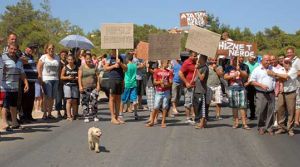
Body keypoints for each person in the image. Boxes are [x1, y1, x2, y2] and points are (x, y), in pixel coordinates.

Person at [1, 43, 29, 131]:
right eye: (11, 49)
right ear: (8, 49)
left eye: (15, 49)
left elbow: (22, 73)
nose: (13, 51)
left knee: (13, 105)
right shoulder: (3, 58)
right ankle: (4, 123)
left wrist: (26, 83)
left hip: (15, 86)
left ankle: (14, 123)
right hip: (4, 86)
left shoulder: (19, 60)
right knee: (5, 105)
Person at [267, 57, 298, 136]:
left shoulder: (293, 70)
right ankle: (281, 128)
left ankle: (290, 129)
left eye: (288, 62)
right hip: (281, 92)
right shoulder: (281, 70)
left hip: (291, 92)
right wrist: (278, 76)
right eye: (285, 62)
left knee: (291, 111)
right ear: (283, 63)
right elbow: (272, 73)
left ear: (291, 63)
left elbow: (285, 77)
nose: (287, 64)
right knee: (280, 110)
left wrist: (276, 75)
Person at [249, 55, 275, 135]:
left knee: (270, 111)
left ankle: (269, 127)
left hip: (271, 93)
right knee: (261, 110)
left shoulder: (273, 69)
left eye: (269, 60)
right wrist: (261, 85)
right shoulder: (257, 69)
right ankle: (261, 126)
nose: (268, 62)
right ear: (262, 61)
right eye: (266, 60)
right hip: (261, 93)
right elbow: (251, 81)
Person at [224, 56, 250, 130]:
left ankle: (244, 124)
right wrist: (233, 75)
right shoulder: (228, 67)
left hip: (242, 88)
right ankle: (236, 122)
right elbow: (225, 77)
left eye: (240, 58)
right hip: (232, 88)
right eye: (236, 59)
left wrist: (240, 71)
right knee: (234, 106)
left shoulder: (245, 66)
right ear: (233, 60)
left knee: (242, 106)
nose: (239, 60)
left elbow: (246, 75)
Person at [146, 60, 173, 128]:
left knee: (164, 107)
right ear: (163, 63)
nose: (168, 64)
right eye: (167, 63)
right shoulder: (157, 71)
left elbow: (170, 83)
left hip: (166, 92)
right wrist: (160, 82)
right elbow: (154, 82)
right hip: (158, 91)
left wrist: (166, 84)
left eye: (168, 63)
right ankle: (152, 121)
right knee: (156, 107)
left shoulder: (169, 72)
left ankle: (163, 122)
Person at [37, 43, 60, 120]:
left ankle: (50, 113)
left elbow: (59, 68)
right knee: (46, 97)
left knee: (52, 97)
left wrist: (59, 78)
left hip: (55, 79)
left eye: (52, 48)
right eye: (49, 48)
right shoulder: (43, 57)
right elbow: (39, 67)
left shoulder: (57, 57)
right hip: (46, 79)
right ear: (46, 49)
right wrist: (40, 77)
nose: (51, 50)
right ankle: (44, 114)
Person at [104, 50, 125, 125]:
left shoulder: (121, 58)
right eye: (113, 50)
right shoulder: (109, 58)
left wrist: (120, 63)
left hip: (120, 79)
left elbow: (126, 69)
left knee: (118, 98)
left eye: (116, 50)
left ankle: (117, 117)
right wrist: (113, 66)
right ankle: (112, 117)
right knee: (112, 98)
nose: (115, 51)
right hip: (112, 79)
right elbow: (105, 68)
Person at [78, 53, 100, 123]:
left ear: (91, 59)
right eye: (87, 59)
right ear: (84, 59)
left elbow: (97, 77)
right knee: (85, 102)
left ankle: (95, 115)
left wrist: (98, 85)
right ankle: (86, 116)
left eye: (89, 58)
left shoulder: (94, 67)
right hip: (84, 87)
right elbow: (79, 77)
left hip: (93, 87)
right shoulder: (81, 67)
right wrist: (80, 86)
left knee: (94, 102)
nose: (88, 60)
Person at [20, 43, 39, 123]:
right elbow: (22, 63)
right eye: (31, 48)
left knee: (31, 99)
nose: (32, 50)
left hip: (32, 81)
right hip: (25, 81)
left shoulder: (32, 57)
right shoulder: (22, 55)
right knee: (24, 100)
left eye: (34, 48)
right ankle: (23, 117)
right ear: (26, 48)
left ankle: (29, 115)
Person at [179, 50, 198, 124]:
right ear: (190, 56)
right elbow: (180, 73)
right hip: (188, 86)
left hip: (196, 86)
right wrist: (186, 82)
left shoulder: (196, 63)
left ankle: (194, 116)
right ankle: (188, 117)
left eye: (196, 56)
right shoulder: (187, 63)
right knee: (188, 102)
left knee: (194, 102)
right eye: (194, 56)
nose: (196, 57)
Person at [119, 54, 139, 122]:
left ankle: (121, 114)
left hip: (127, 84)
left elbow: (123, 67)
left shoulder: (127, 66)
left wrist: (119, 62)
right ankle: (135, 114)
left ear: (127, 59)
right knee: (134, 99)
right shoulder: (134, 65)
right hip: (134, 84)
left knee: (123, 100)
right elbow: (141, 66)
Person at [285, 47, 300, 127]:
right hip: (289, 85)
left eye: (290, 52)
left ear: (294, 53)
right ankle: (292, 119)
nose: (289, 54)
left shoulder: (297, 61)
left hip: (297, 84)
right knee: (291, 103)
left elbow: (299, 72)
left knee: (297, 102)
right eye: (288, 52)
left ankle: (296, 121)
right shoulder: (287, 60)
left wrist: (290, 75)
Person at [61, 54, 79, 121]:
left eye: (72, 59)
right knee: (68, 100)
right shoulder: (65, 68)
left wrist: (76, 78)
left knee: (74, 100)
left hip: (75, 85)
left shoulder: (77, 67)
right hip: (67, 85)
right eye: (69, 59)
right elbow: (61, 77)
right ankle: (68, 116)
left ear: (74, 60)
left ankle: (74, 115)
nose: (70, 61)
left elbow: (80, 76)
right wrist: (68, 77)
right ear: (67, 60)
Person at [193, 55, 209, 129]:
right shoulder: (200, 67)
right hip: (196, 90)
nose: (198, 59)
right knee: (196, 107)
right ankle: (202, 121)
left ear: (203, 59)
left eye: (200, 58)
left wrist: (197, 70)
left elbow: (202, 78)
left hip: (202, 91)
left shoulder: (205, 68)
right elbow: (196, 79)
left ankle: (202, 123)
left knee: (202, 107)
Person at [244, 55, 259, 120]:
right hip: (248, 84)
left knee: (257, 100)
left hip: (256, 83)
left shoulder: (258, 64)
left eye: (252, 58)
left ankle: (254, 114)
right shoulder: (245, 64)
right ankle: (246, 114)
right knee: (249, 100)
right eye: (250, 58)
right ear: (248, 58)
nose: (251, 59)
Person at [55, 50, 68, 118]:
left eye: (65, 54)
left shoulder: (68, 63)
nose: (63, 55)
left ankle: (66, 112)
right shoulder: (57, 62)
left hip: (66, 82)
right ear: (60, 55)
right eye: (62, 54)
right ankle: (58, 112)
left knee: (66, 98)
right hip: (59, 82)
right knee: (58, 97)